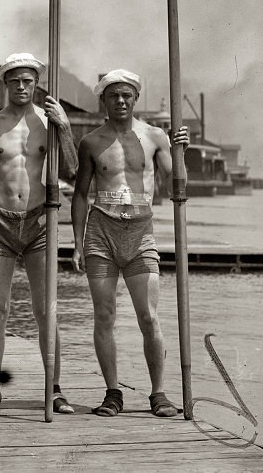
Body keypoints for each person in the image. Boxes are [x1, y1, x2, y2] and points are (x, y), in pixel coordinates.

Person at [71, 69, 189, 418]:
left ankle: (159, 394)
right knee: (104, 314)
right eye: (113, 95)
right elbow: (79, 195)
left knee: (149, 317)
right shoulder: (91, 141)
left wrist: (179, 149)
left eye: (126, 95)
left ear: (135, 98)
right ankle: (112, 393)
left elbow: (175, 187)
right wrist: (78, 243)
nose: (120, 101)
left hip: (140, 233)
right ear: (103, 100)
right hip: (101, 233)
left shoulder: (154, 137)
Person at [0, 53, 78, 415]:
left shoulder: (49, 122)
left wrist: (64, 126)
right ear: (5, 84)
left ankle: (55, 389)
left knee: (46, 310)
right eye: (15, 81)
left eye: (28, 81)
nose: (21, 87)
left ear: (36, 83)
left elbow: (74, 169)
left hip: (40, 223)